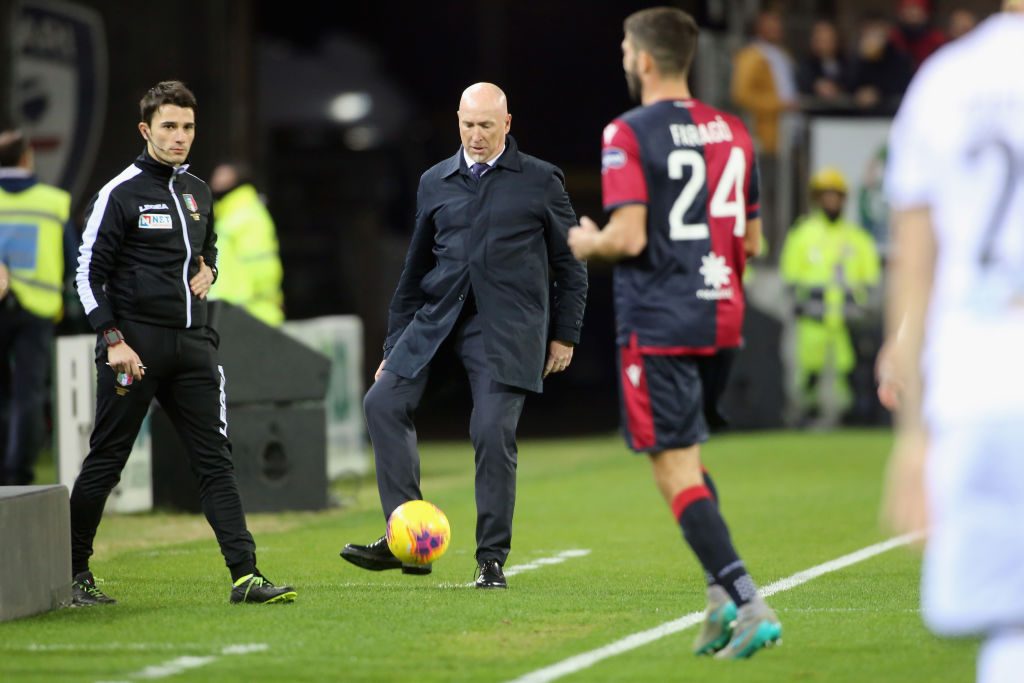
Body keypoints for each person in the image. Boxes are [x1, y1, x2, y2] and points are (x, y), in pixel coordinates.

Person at [568, 7, 781, 659]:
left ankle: (749, 602)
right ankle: (720, 601)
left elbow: (628, 235)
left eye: (626, 50)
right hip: (721, 316)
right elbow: (751, 237)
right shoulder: (734, 132)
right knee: (689, 456)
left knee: (673, 469)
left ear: (647, 60)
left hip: (659, 319)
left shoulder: (626, 133)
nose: (624, 60)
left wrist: (586, 241)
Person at [341, 83, 587, 589]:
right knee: (381, 403)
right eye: (468, 125)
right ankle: (407, 538)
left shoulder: (541, 180)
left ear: (507, 124)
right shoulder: (435, 181)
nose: (475, 136)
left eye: (486, 126)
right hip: (435, 318)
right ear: (457, 122)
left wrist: (564, 336)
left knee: (491, 432)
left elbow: (571, 263)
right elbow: (414, 271)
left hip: (505, 330)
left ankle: (491, 559)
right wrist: (393, 347)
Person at [71, 81, 295, 605]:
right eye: (169, 127)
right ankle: (74, 571)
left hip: (193, 346)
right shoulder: (119, 193)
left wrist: (210, 267)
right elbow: (85, 274)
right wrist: (112, 339)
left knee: (216, 462)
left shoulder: (198, 191)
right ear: (146, 130)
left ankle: (246, 576)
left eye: (188, 127)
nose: (180, 137)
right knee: (108, 459)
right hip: (135, 350)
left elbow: (206, 243)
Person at [881, 4, 1024, 682]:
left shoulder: (946, 79)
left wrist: (913, 437)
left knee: (1008, 629)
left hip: (977, 390)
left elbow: (914, 265)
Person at [780, 167, 880, 426]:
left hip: (848, 322)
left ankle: (848, 420)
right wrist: (796, 304)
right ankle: (804, 416)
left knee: (848, 374)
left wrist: (864, 309)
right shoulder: (802, 234)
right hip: (812, 320)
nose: (831, 201)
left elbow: (870, 280)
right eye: (826, 196)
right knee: (808, 373)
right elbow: (790, 278)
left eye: (836, 196)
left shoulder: (856, 237)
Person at [0, 127, 72, 485]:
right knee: (27, 394)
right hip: (37, 309)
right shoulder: (53, 201)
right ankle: (17, 475)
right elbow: (75, 258)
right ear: (27, 157)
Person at [207, 162, 284, 326]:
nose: (215, 181)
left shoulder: (247, 215)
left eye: (222, 176)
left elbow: (263, 268)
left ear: (236, 180)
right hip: (230, 312)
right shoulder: (228, 213)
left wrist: (262, 300)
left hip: (250, 314)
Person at [848, 12, 914, 113]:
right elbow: (848, 84)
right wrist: (862, 60)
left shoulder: (899, 58)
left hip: (889, 116)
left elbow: (902, 86)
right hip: (860, 119)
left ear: (886, 32)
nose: (872, 36)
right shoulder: (857, 58)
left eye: (876, 30)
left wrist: (878, 93)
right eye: (868, 31)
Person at [796, 19, 851, 105]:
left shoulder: (847, 62)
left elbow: (853, 83)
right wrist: (816, 86)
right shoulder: (806, 64)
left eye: (827, 39)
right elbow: (803, 82)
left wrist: (837, 88)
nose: (823, 44)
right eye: (819, 39)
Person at [890, 0, 947, 71]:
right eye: (907, 8)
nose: (911, 13)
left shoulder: (937, 40)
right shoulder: (892, 38)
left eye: (915, 8)